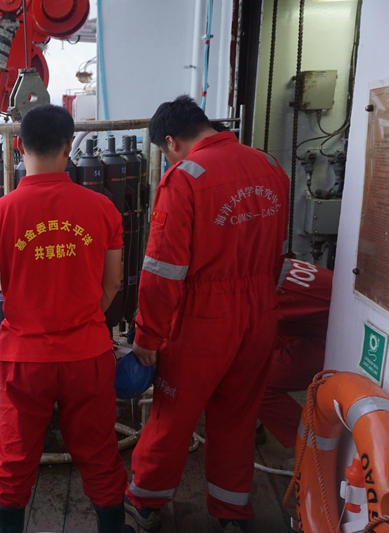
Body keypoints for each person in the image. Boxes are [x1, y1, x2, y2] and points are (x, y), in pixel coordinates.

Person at [125, 95, 289, 533]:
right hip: (261, 310)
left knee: (172, 417)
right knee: (238, 416)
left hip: (205, 319)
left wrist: (147, 337)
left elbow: (162, 271)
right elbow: (279, 250)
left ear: (172, 142)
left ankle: (145, 503)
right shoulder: (270, 166)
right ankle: (231, 512)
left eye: (166, 153)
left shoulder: (185, 177)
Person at [0, 104, 134, 533]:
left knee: (17, 450)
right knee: (98, 449)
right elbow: (113, 284)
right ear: (68, 147)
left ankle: (6, 528)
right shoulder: (102, 208)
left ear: (20, 147)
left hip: (25, 360)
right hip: (88, 355)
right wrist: (82, 320)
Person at [258, 258, 331, 448]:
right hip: (312, 325)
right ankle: (252, 425)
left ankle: (311, 452)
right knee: (249, 358)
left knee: (256, 384)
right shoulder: (264, 262)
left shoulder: (255, 287)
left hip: (333, 340)